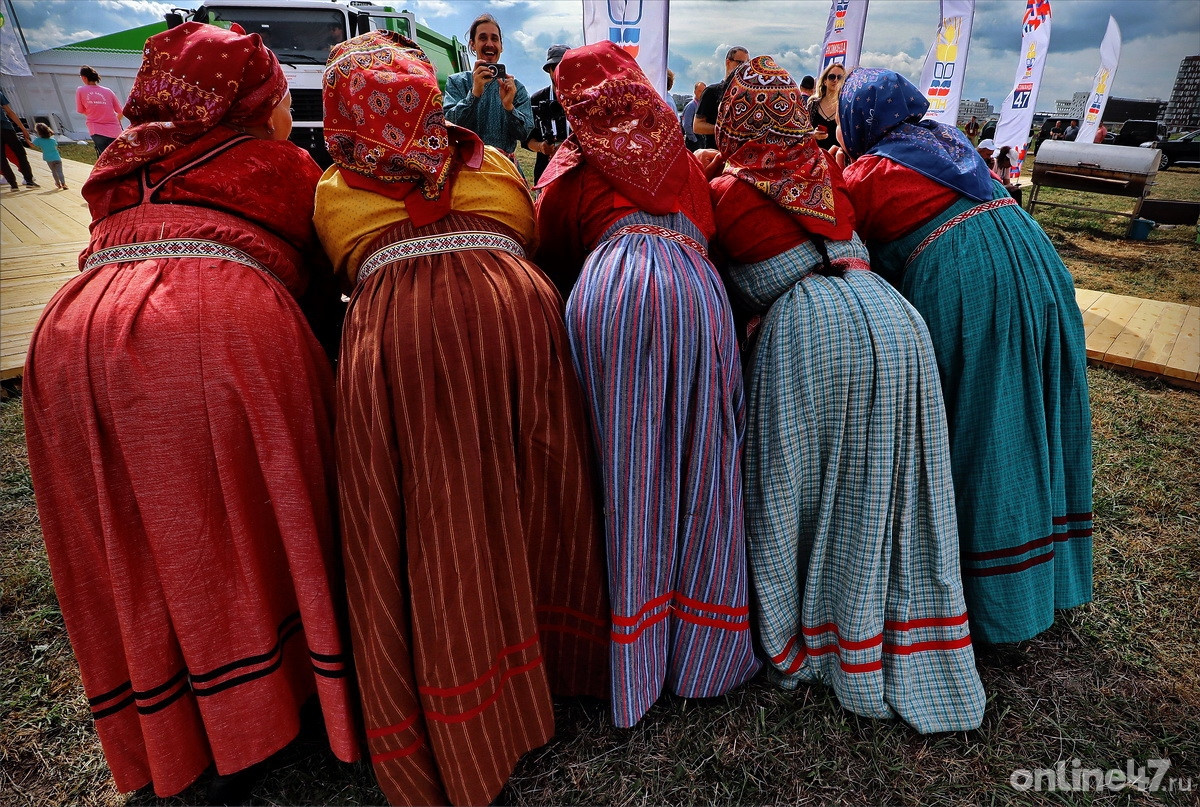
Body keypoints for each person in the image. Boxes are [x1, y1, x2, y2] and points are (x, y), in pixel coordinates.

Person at [23, 22, 361, 800]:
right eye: (278, 98)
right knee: (242, 515)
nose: (284, 112)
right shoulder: (278, 165)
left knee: (131, 535)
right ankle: (269, 696)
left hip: (69, 336)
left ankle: (170, 705)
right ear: (250, 105)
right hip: (211, 324)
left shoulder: (119, 160)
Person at [314, 32, 610, 806]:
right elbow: (530, 233)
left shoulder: (331, 193)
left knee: (442, 517)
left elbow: (339, 264)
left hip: (403, 341)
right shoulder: (499, 165)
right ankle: (562, 663)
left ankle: (470, 699)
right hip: (516, 317)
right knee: (535, 486)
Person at [708, 55, 984, 734]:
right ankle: (892, 630)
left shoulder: (722, 192)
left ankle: (820, 633)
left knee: (800, 490)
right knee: (884, 490)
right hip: (894, 320)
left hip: (810, 330)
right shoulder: (827, 172)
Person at [534, 41, 760, 729]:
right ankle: (703, 652)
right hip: (697, 291)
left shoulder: (572, 160)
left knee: (622, 471)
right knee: (701, 465)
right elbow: (713, 229)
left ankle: (628, 651)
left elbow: (550, 246)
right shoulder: (683, 160)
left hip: (611, 289)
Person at [834, 68, 1093, 645]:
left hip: (971, 278)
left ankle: (996, 599)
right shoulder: (948, 142)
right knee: (1037, 418)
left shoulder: (868, 172)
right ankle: (1047, 578)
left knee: (990, 427)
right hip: (1034, 257)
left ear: (857, 122)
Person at [443, 14, 532, 168]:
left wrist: (509, 107)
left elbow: (525, 133)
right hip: (466, 171)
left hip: (505, 170)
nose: (489, 44)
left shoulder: (515, 88)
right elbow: (448, 126)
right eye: (483, 38)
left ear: (501, 46)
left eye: (495, 39)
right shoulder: (457, 82)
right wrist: (474, 94)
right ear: (472, 44)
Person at [525, 44, 570, 182]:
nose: (560, 72)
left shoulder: (582, 98)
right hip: (546, 173)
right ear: (549, 70)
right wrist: (542, 147)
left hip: (575, 173)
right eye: (556, 67)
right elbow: (527, 140)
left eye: (566, 66)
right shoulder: (537, 99)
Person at [692, 46, 749, 149]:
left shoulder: (747, 94)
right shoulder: (711, 92)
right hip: (715, 153)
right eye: (740, 63)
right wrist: (726, 131)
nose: (744, 68)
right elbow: (697, 126)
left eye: (747, 65)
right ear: (728, 62)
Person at [76, 66, 125, 155]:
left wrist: (93, 114)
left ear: (84, 77)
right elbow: (121, 111)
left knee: (104, 157)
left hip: (96, 129)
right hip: (114, 129)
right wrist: (115, 121)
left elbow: (80, 110)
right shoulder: (108, 91)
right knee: (118, 156)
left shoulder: (80, 90)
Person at [0, 89, 36, 189]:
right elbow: (9, 112)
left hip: (5, 128)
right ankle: (29, 181)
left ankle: (13, 185)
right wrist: (23, 128)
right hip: (6, 128)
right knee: (20, 153)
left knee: (1, 159)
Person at [809, 61, 845, 150]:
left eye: (840, 77)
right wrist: (813, 134)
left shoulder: (846, 106)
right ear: (825, 81)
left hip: (837, 159)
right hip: (814, 156)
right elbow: (802, 132)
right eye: (832, 77)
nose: (835, 80)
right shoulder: (813, 104)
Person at [29, 122, 66, 190]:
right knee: (60, 172)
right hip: (57, 158)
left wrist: (26, 139)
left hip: (48, 159)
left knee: (54, 171)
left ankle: (58, 184)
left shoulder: (38, 140)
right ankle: (63, 183)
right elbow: (56, 146)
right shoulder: (52, 139)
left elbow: (32, 145)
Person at [682, 81, 707, 151]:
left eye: (703, 91)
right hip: (693, 141)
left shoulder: (701, 105)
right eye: (699, 91)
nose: (702, 93)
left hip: (701, 139)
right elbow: (686, 125)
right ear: (695, 92)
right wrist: (694, 140)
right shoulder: (691, 106)